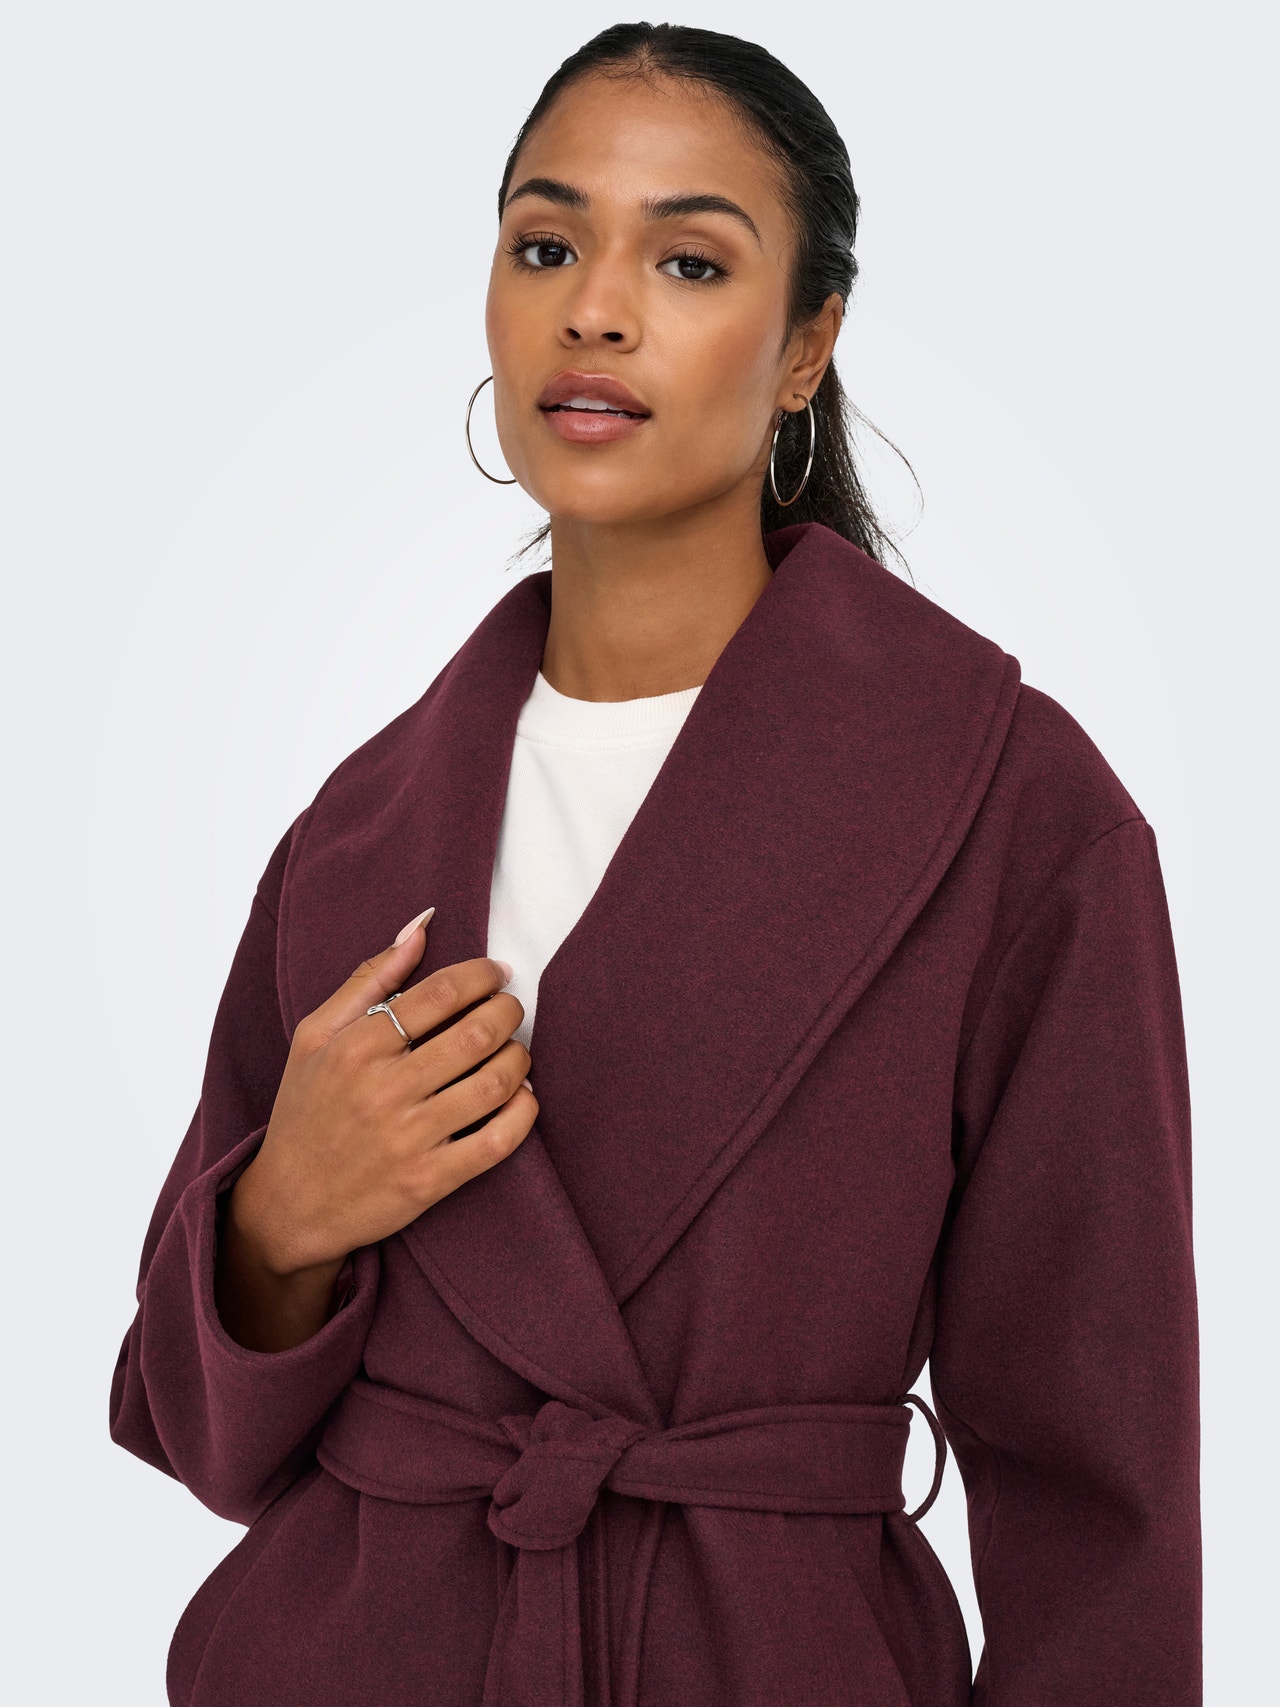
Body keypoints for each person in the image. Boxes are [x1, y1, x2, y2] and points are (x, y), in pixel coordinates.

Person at [109, 23, 1200, 1707]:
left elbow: (1101, 1491)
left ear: (806, 344)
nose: (595, 309)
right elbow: (202, 1442)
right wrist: (279, 1223)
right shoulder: (357, 830)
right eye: (546, 246)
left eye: (689, 262)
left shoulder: (1012, 810)